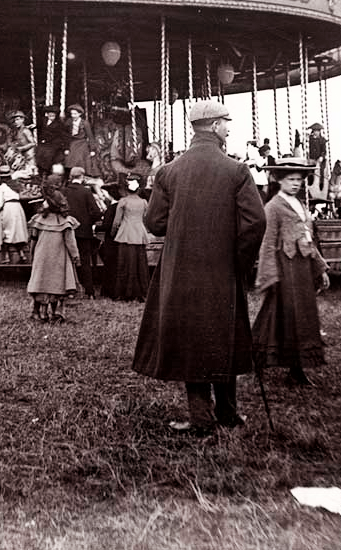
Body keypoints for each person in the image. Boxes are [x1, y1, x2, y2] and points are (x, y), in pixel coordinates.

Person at [132, 100, 266, 437]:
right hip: (223, 270)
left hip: (180, 271)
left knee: (190, 337)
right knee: (224, 335)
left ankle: (201, 416)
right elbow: (255, 222)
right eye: (227, 122)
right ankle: (228, 414)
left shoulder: (169, 171)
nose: (229, 128)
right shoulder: (236, 171)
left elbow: (154, 222)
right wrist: (239, 259)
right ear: (215, 125)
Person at [252, 158, 330, 387]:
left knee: (302, 319)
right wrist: (269, 274)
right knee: (277, 315)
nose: (296, 184)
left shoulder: (300, 204)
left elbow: (308, 239)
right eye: (291, 179)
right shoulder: (273, 206)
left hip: (302, 270)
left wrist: (321, 268)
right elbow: (267, 242)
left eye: (299, 180)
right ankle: (257, 360)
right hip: (284, 269)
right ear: (280, 180)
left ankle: (297, 371)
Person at [26, 182, 81, 323]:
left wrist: (32, 254)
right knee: (56, 285)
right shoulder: (66, 222)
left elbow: (33, 238)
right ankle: (55, 313)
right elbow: (70, 242)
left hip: (41, 256)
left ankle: (38, 312)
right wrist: (75, 256)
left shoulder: (39, 220)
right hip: (59, 257)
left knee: (40, 282)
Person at [111, 173, 151, 302]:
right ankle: (142, 292)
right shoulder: (144, 202)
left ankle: (124, 292)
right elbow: (146, 220)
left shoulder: (123, 202)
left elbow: (117, 222)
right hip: (139, 233)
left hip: (126, 233)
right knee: (141, 265)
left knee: (124, 264)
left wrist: (113, 233)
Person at [64, 166, 102, 298]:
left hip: (67, 230)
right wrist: (89, 221)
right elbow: (96, 212)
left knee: (67, 260)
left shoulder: (65, 191)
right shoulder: (86, 192)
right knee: (85, 261)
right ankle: (90, 291)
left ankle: (70, 290)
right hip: (84, 231)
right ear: (82, 177)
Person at [0, 164, 29, 264]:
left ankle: (6, 257)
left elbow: (0, 204)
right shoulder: (16, 185)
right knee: (17, 231)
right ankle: (22, 254)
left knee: (5, 232)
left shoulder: (1, 187)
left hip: (8, 208)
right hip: (18, 208)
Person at [63, 104, 97, 176]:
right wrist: (66, 148)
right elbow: (65, 135)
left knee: (80, 158)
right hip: (72, 143)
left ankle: (81, 176)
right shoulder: (69, 122)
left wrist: (92, 149)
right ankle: (70, 176)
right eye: (72, 113)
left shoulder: (85, 123)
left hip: (82, 143)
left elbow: (90, 136)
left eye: (75, 114)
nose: (73, 115)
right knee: (69, 159)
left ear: (80, 114)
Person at [35, 104, 69, 175]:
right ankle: (40, 170)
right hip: (44, 142)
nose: (51, 118)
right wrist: (34, 127)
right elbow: (40, 127)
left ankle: (46, 171)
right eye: (50, 116)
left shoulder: (59, 124)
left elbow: (64, 136)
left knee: (48, 154)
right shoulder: (44, 120)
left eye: (53, 116)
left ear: (56, 116)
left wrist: (66, 147)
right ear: (47, 115)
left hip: (54, 143)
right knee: (39, 151)